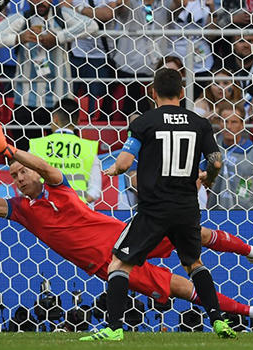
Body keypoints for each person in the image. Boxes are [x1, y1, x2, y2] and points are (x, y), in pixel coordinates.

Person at [0, 121, 253, 339]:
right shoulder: (22, 210)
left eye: (23, 171)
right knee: (178, 287)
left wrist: (10, 150)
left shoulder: (57, 188)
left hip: (125, 236)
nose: (20, 177)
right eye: (14, 175)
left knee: (194, 235)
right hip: (107, 266)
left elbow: (46, 167)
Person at [98, 69, 235, 339]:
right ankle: (219, 321)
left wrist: (115, 169)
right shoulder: (200, 122)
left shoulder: (144, 122)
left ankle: (114, 328)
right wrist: (209, 178)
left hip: (154, 209)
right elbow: (216, 161)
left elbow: (125, 162)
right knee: (194, 264)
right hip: (186, 207)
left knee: (118, 265)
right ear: (182, 94)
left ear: (153, 93)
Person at [0, 0, 99, 151]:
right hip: (27, 99)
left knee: (61, 152)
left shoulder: (62, 15)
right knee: (26, 154)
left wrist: (59, 37)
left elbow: (92, 26)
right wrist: (17, 38)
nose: (41, 2)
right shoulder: (22, 19)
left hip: (59, 99)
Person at [205, 101, 253, 210]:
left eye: (234, 122)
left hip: (250, 214)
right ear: (219, 123)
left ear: (242, 124)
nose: (228, 126)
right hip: (216, 213)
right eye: (224, 121)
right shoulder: (210, 149)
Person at [29, 98, 101, 204]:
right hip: (77, 214)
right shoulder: (88, 147)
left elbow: (26, 183)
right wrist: (78, 205)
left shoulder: (37, 146)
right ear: (78, 121)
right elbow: (95, 190)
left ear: (55, 119)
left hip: (45, 212)